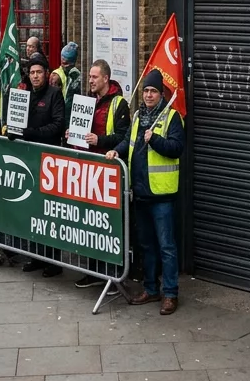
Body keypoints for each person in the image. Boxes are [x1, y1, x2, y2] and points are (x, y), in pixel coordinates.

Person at [106, 69, 185, 314]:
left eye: (153, 91)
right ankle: (151, 289)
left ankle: (170, 293)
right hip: (139, 191)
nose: (149, 95)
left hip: (161, 194)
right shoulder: (139, 115)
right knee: (147, 245)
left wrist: (156, 140)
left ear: (161, 94)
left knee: (166, 246)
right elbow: (129, 140)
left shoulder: (172, 117)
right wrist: (116, 151)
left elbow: (176, 148)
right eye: (146, 91)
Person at [70, 59, 130, 288]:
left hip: (108, 173)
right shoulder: (86, 101)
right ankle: (93, 271)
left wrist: (100, 140)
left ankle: (112, 275)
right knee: (90, 224)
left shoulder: (119, 104)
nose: (91, 80)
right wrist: (72, 134)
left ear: (106, 78)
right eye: (90, 76)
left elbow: (125, 137)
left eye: (95, 77)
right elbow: (80, 133)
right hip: (89, 171)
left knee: (109, 225)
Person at [14, 54, 66, 277]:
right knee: (31, 208)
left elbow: (57, 125)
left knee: (48, 211)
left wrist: (33, 134)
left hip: (49, 160)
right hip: (29, 159)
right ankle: (35, 255)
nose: (35, 76)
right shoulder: (25, 94)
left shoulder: (55, 95)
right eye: (32, 72)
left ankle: (53, 261)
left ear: (46, 73)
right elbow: (17, 121)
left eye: (39, 72)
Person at [51, 41, 82, 115]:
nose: (64, 66)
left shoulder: (75, 76)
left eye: (66, 63)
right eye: (62, 62)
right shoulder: (57, 75)